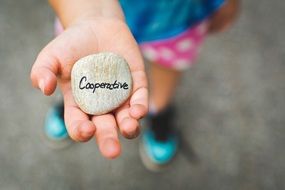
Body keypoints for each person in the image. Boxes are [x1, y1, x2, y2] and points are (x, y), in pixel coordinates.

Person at [30, 0, 239, 170]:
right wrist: (88, 15)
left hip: (176, 18)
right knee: (72, 62)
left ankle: (159, 110)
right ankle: (76, 99)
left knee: (168, 64)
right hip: (86, 13)